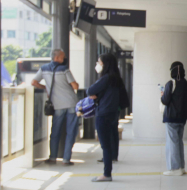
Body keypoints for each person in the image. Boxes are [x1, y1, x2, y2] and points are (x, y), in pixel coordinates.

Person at [31, 48, 79, 166]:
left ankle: (52, 158)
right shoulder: (64, 69)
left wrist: (46, 88)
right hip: (71, 103)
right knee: (71, 131)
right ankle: (66, 159)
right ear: (57, 57)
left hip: (57, 105)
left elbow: (34, 82)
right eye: (62, 57)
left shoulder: (43, 69)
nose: (64, 59)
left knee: (55, 131)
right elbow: (75, 86)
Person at [87, 53, 125, 182]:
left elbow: (90, 90)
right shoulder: (117, 78)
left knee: (105, 145)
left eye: (99, 62)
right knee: (108, 143)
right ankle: (107, 172)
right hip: (113, 113)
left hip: (103, 114)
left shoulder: (106, 78)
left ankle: (106, 174)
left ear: (105, 64)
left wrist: (94, 95)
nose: (97, 65)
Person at [161, 61, 187, 176]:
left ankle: (174, 168)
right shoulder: (186, 83)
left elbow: (165, 100)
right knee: (179, 142)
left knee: (172, 142)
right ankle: (181, 167)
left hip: (171, 117)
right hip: (182, 117)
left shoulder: (171, 83)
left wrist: (162, 95)